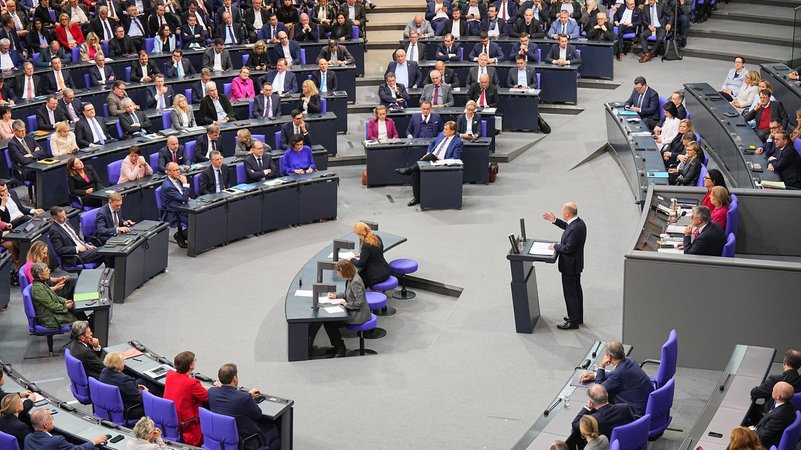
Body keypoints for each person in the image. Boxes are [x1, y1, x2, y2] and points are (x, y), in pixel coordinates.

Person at [208, 363, 281, 450]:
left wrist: (247, 395)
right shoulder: (244, 398)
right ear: (235, 378)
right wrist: (248, 397)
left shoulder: (212, 392)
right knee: (274, 431)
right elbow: (258, 414)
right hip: (245, 442)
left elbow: (230, 396)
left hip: (221, 439)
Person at [309, 259, 371, 357]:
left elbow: (360, 302)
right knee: (329, 322)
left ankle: (340, 349)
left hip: (358, 315)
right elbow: (348, 294)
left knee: (330, 323)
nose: (338, 275)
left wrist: (345, 304)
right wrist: (336, 296)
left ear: (346, 271)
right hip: (353, 310)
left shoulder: (356, 282)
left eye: (339, 273)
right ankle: (338, 346)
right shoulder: (350, 278)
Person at [542, 202, 587, 329]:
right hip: (576, 265)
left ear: (568, 213)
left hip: (570, 267)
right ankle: (577, 317)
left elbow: (568, 248)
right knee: (576, 291)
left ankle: (573, 322)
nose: (562, 214)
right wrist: (555, 220)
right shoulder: (578, 223)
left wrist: (555, 246)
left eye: (563, 213)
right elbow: (567, 226)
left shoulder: (574, 229)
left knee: (570, 294)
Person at [396, 120, 463, 206]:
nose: (444, 131)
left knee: (427, 158)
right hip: (432, 157)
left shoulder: (458, 142)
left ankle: (408, 170)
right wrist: (428, 152)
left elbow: (455, 157)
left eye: (446, 129)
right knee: (416, 171)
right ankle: (417, 197)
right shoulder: (442, 135)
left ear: (452, 131)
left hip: (442, 161)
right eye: (444, 128)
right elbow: (432, 143)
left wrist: (441, 161)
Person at [164, 351, 215, 446]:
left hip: (171, 423)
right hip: (187, 426)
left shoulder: (169, 375)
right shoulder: (192, 383)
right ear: (191, 366)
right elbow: (208, 397)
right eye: (194, 361)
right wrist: (216, 387)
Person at [565, 384, 635, 450]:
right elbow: (634, 424)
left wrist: (587, 407)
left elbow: (575, 425)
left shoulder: (593, 420)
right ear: (607, 396)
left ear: (591, 402)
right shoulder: (625, 407)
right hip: (631, 441)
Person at [750, 349, 801, 419]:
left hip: (770, 414)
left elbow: (756, 393)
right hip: (791, 413)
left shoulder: (775, 379)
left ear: (785, 361)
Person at [25, 409, 107, 450]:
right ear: (45, 424)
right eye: (51, 418)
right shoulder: (57, 441)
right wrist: (94, 441)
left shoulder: (28, 438)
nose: (53, 419)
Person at [29, 262, 78, 330]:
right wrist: (66, 306)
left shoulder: (41, 283)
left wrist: (65, 301)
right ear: (40, 274)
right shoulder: (38, 289)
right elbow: (51, 306)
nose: (49, 271)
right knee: (79, 318)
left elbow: (54, 297)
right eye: (46, 270)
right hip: (49, 318)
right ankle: (82, 336)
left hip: (51, 313)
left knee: (77, 312)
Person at [99, 352, 145, 420]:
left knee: (142, 381)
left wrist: (134, 386)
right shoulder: (124, 380)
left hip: (109, 406)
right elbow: (139, 399)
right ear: (119, 364)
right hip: (127, 410)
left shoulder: (104, 372)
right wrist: (145, 393)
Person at [752, 381, 796, 449]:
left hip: (763, 445)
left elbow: (762, 437)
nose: (772, 390)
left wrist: (750, 432)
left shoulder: (779, 415)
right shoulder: (789, 406)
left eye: (774, 389)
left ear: (778, 396)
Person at [350, 222, 391, 287]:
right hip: (386, 271)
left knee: (355, 281)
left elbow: (361, 263)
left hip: (377, 276)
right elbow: (375, 252)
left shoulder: (366, 246)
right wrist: (362, 254)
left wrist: (351, 259)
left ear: (359, 234)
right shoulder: (376, 237)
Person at [160, 162, 190, 248]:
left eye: (178, 170)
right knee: (194, 220)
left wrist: (187, 197)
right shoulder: (168, 186)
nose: (178, 172)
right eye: (175, 170)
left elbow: (183, 195)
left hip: (182, 206)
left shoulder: (176, 179)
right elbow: (184, 197)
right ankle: (180, 235)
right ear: (169, 172)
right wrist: (185, 184)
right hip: (174, 211)